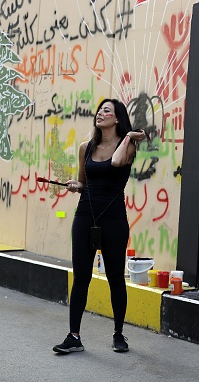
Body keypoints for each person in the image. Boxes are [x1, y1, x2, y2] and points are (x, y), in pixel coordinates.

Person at [53, 99, 146, 353]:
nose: (100, 113)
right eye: (99, 110)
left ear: (117, 119)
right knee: (81, 276)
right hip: (85, 216)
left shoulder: (127, 148)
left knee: (115, 277)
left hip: (114, 218)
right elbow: (84, 182)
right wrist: (76, 185)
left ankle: (118, 334)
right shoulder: (86, 147)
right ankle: (74, 336)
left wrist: (127, 136)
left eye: (107, 110)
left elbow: (115, 163)